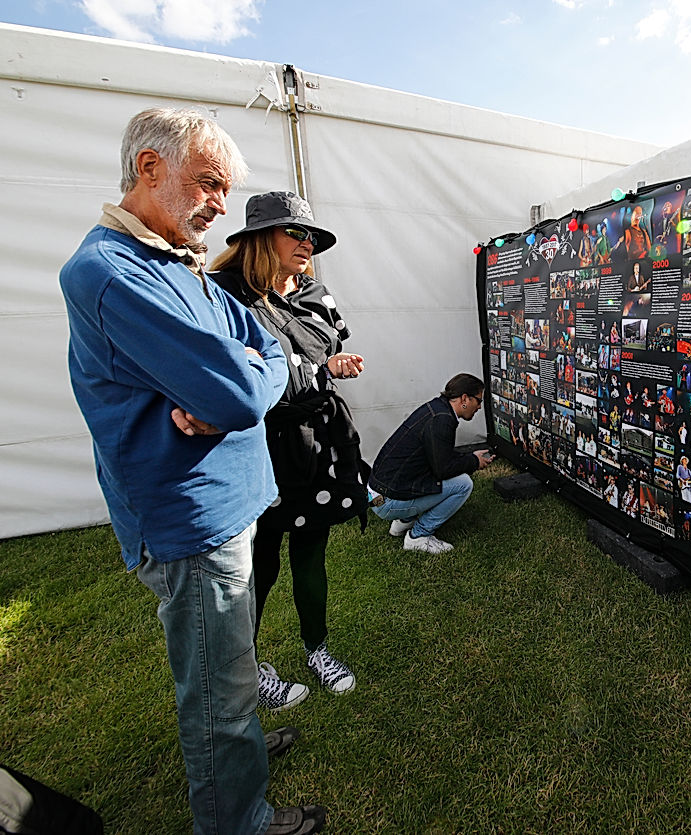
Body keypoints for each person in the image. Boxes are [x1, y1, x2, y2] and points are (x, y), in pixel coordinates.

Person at [59, 108, 323, 833]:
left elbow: (266, 350)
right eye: (208, 183)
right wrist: (242, 382)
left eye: (225, 189)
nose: (218, 204)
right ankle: (239, 816)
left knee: (227, 670)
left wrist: (245, 379)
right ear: (149, 168)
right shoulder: (107, 271)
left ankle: (233, 753)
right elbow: (242, 386)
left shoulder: (174, 258)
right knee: (216, 691)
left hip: (225, 505)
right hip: (191, 520)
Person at [209, 191, 368, 706]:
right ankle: (245, 668)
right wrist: (316, 372)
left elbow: (330, 346)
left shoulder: (316, 293)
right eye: (294, 233)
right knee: (254, 565)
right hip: (259, 447)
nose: (306, 243)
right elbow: (241, 378)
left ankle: (317, 648)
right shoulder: (225, 295)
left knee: (310, 552)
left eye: (311, 236)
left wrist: (331, 367)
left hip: (319, 443)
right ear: (260, 238)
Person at [369, 374, 495, 553]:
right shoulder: (442, 420)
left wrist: (470, 457)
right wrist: (474, 462)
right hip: (388, 502)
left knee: (425, 472)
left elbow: (439, 455)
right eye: (478, 401)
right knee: (463, 485)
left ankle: (404, 522)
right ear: (465, 398)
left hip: (377, 494)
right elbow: (443, 469)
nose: (480, 407)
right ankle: (418, 536)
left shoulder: (436, 409)